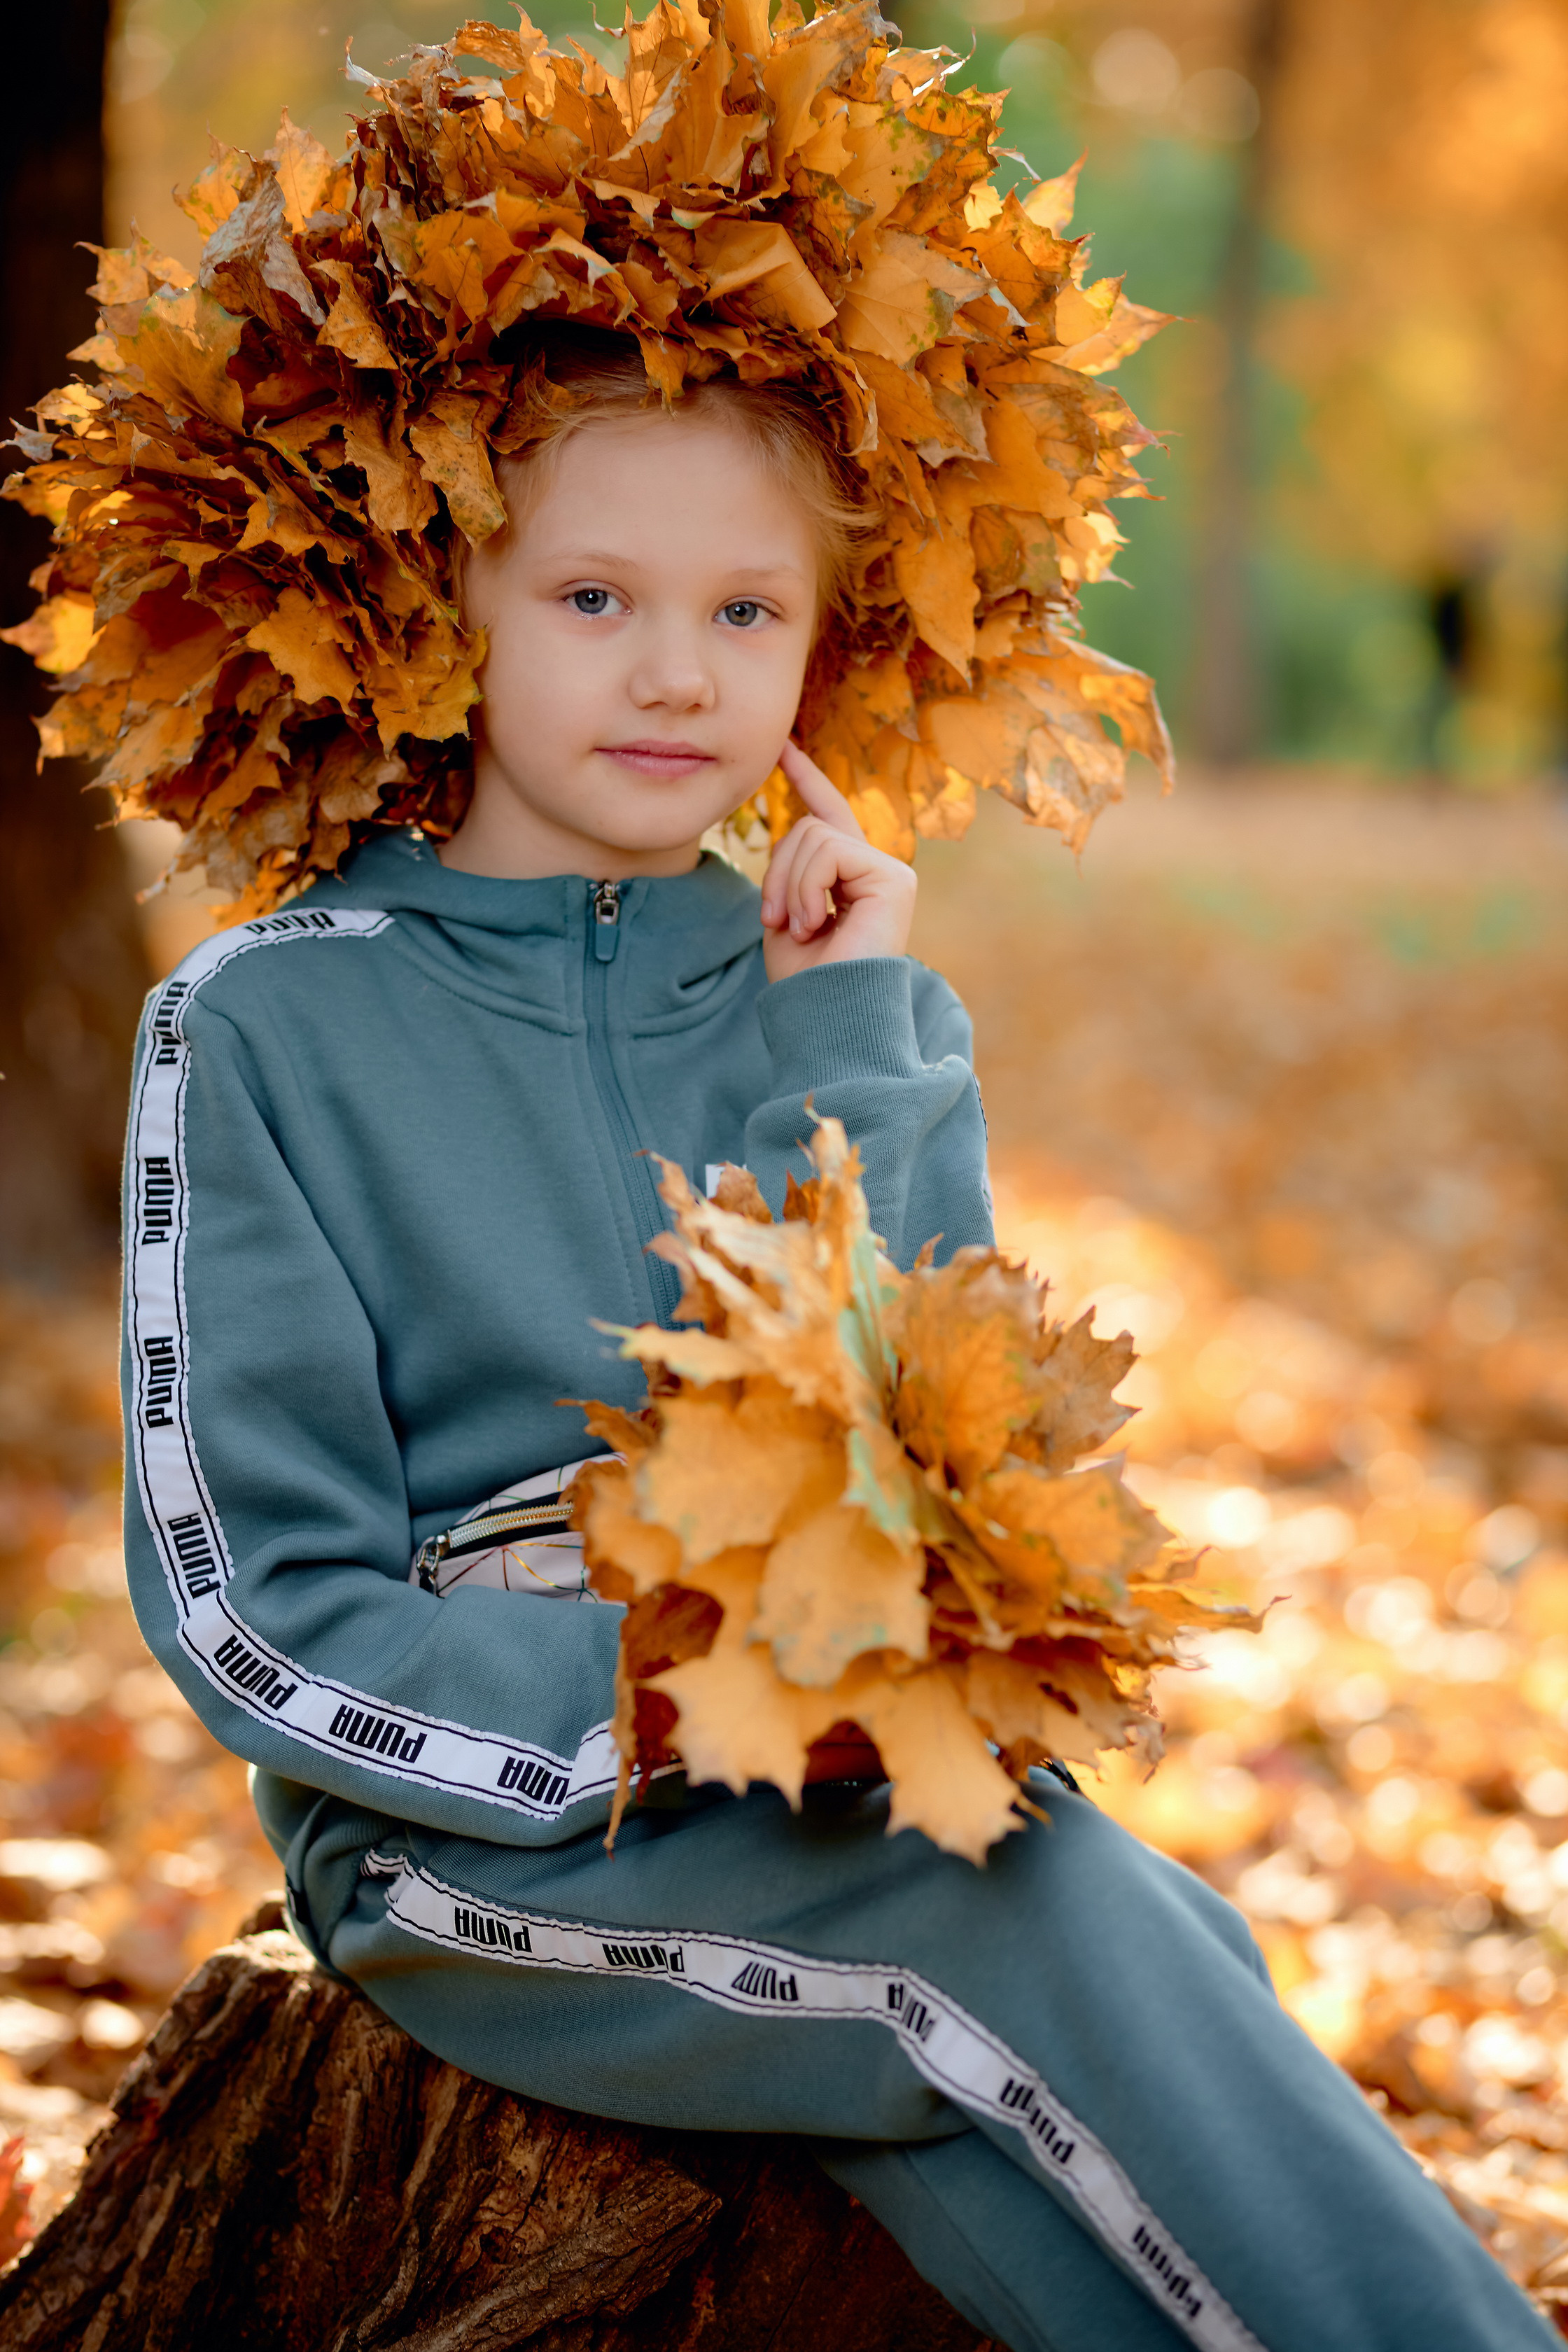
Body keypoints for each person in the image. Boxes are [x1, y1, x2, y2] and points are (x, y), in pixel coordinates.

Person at [120, 335, 1554, 2352]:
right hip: (473, 1853)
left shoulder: (856, 1005)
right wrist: (667, 1694)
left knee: (1129, 1951)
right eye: (595, 598)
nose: (678, 674)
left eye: (746, 610)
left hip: (855, 1791)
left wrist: (842, 1048)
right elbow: (246, 1601)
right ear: (437, 602)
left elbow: (965, 1472)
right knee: (1029, 1941)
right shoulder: (264, 1021)